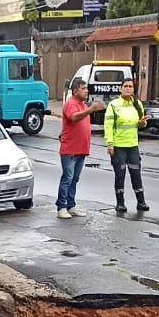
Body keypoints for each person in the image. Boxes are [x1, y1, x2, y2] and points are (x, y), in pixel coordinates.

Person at [56, 77, 102, 219]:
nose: (86, 91)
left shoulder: (83, 105)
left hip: (80, 149)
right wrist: (90, 110)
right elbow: (74, 118)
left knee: (74, 179)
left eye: (86, 88)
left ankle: (71, 205)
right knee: (67, 178)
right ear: (75, 91)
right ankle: (61, 206)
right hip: (70, 149)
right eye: (83, 89)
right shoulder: (71, 104)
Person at [105, 78, 148, 213]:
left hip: (133, 145)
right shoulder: (114, 104)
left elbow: (141, 123)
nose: (128, 88)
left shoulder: (137, 104)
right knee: (120, 174)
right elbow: (108, 125)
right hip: (119, 146)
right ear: (121, 88)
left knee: (136, 173)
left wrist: (142, 123)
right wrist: (110, 144)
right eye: (125, 86)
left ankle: (141, 202)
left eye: (130, 86)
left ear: (133, 89)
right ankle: (120, 203)